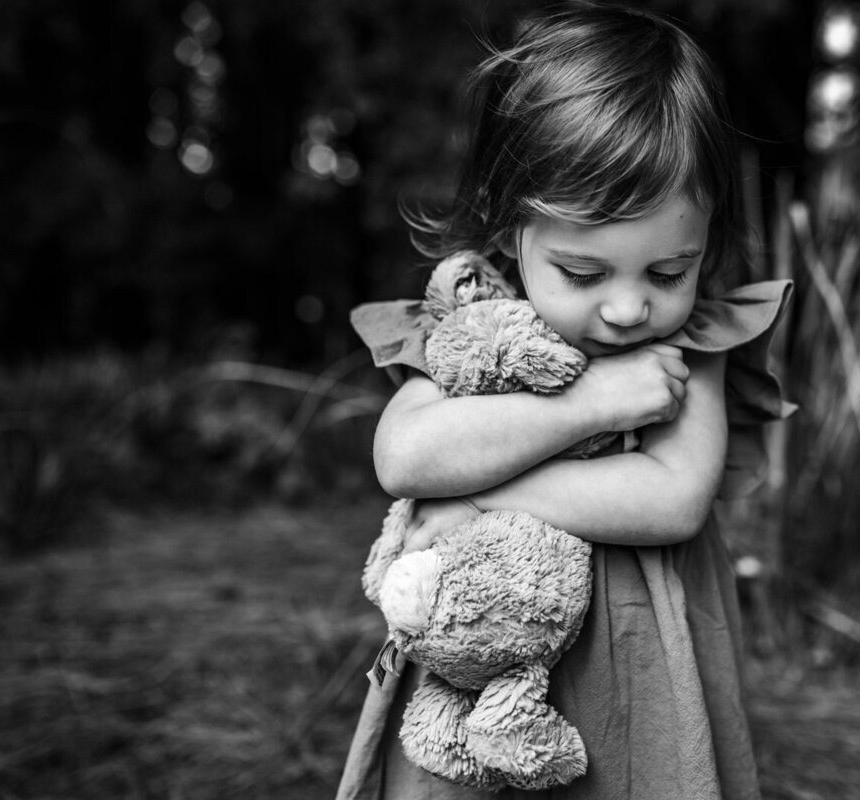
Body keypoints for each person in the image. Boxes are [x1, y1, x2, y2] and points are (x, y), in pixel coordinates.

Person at [339, 4, 794, 798]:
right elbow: (403, 456)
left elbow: (673, 499)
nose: (627, 310)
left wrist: (476, 483)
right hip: (482, 671)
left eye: (668, 272)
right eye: (584, 275)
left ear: (707, 239)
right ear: (514, 228)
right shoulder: (475, 319)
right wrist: (590, 404)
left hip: (641, 666)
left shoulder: (694, 348)